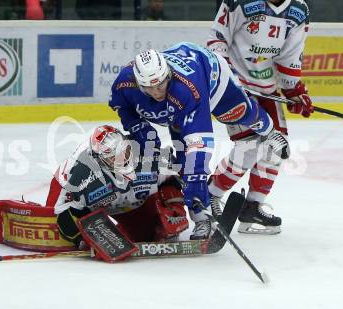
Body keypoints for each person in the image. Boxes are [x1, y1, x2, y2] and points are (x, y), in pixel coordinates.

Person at [108, 41, 291, 240]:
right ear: (137, 82)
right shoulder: (124, 84)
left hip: (210, 75)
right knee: (180, 159)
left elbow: (199, 145)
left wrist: (196, 182)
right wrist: (137, 126)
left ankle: (270, 131)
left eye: (160, 84)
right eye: (149, 87)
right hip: (177, 97)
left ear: (167, 74)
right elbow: (121, 106)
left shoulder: (188, 90)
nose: (157, 92)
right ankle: (200, 216)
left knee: (242, 112)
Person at [206, 0, 313, 234]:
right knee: (250, 146)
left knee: (277, 146)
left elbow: (290, 55)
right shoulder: (239, 3)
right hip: (233, 88)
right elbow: (217, 39)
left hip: (266, 89)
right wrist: (227, 78)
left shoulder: (298, 10)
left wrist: (294, 91)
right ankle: (211, 194)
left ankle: (253, 206)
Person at [45, 125, 188, 249]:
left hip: (133, 203)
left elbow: (176, 178)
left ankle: (156, 227)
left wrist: (175, 208)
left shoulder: (149, 157)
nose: (123, 159)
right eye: (113, 157)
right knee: (59, 225)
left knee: (146, 236)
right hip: (93, 205)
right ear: (100, 160)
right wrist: (81, 239)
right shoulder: (82, 176)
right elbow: (64, 213)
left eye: (124, 151)